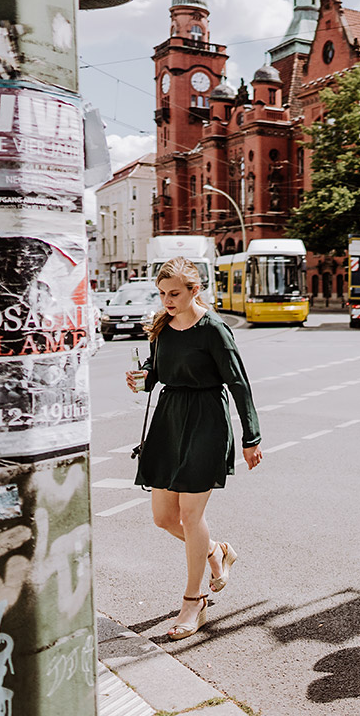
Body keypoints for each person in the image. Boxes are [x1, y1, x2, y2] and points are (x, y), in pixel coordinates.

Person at [125, 257, 263, 640]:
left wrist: (251, 437)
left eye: (174, 293)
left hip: (206, 422)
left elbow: (239, 383)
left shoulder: (214, 329)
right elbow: (157, 371)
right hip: (169, 421)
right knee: (163, 517)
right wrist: (143, 378)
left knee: (189, 514)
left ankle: (194, 599)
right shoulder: (162, 326)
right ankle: (216, 551)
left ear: (194, 290)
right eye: (162, 293)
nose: (167, 300)